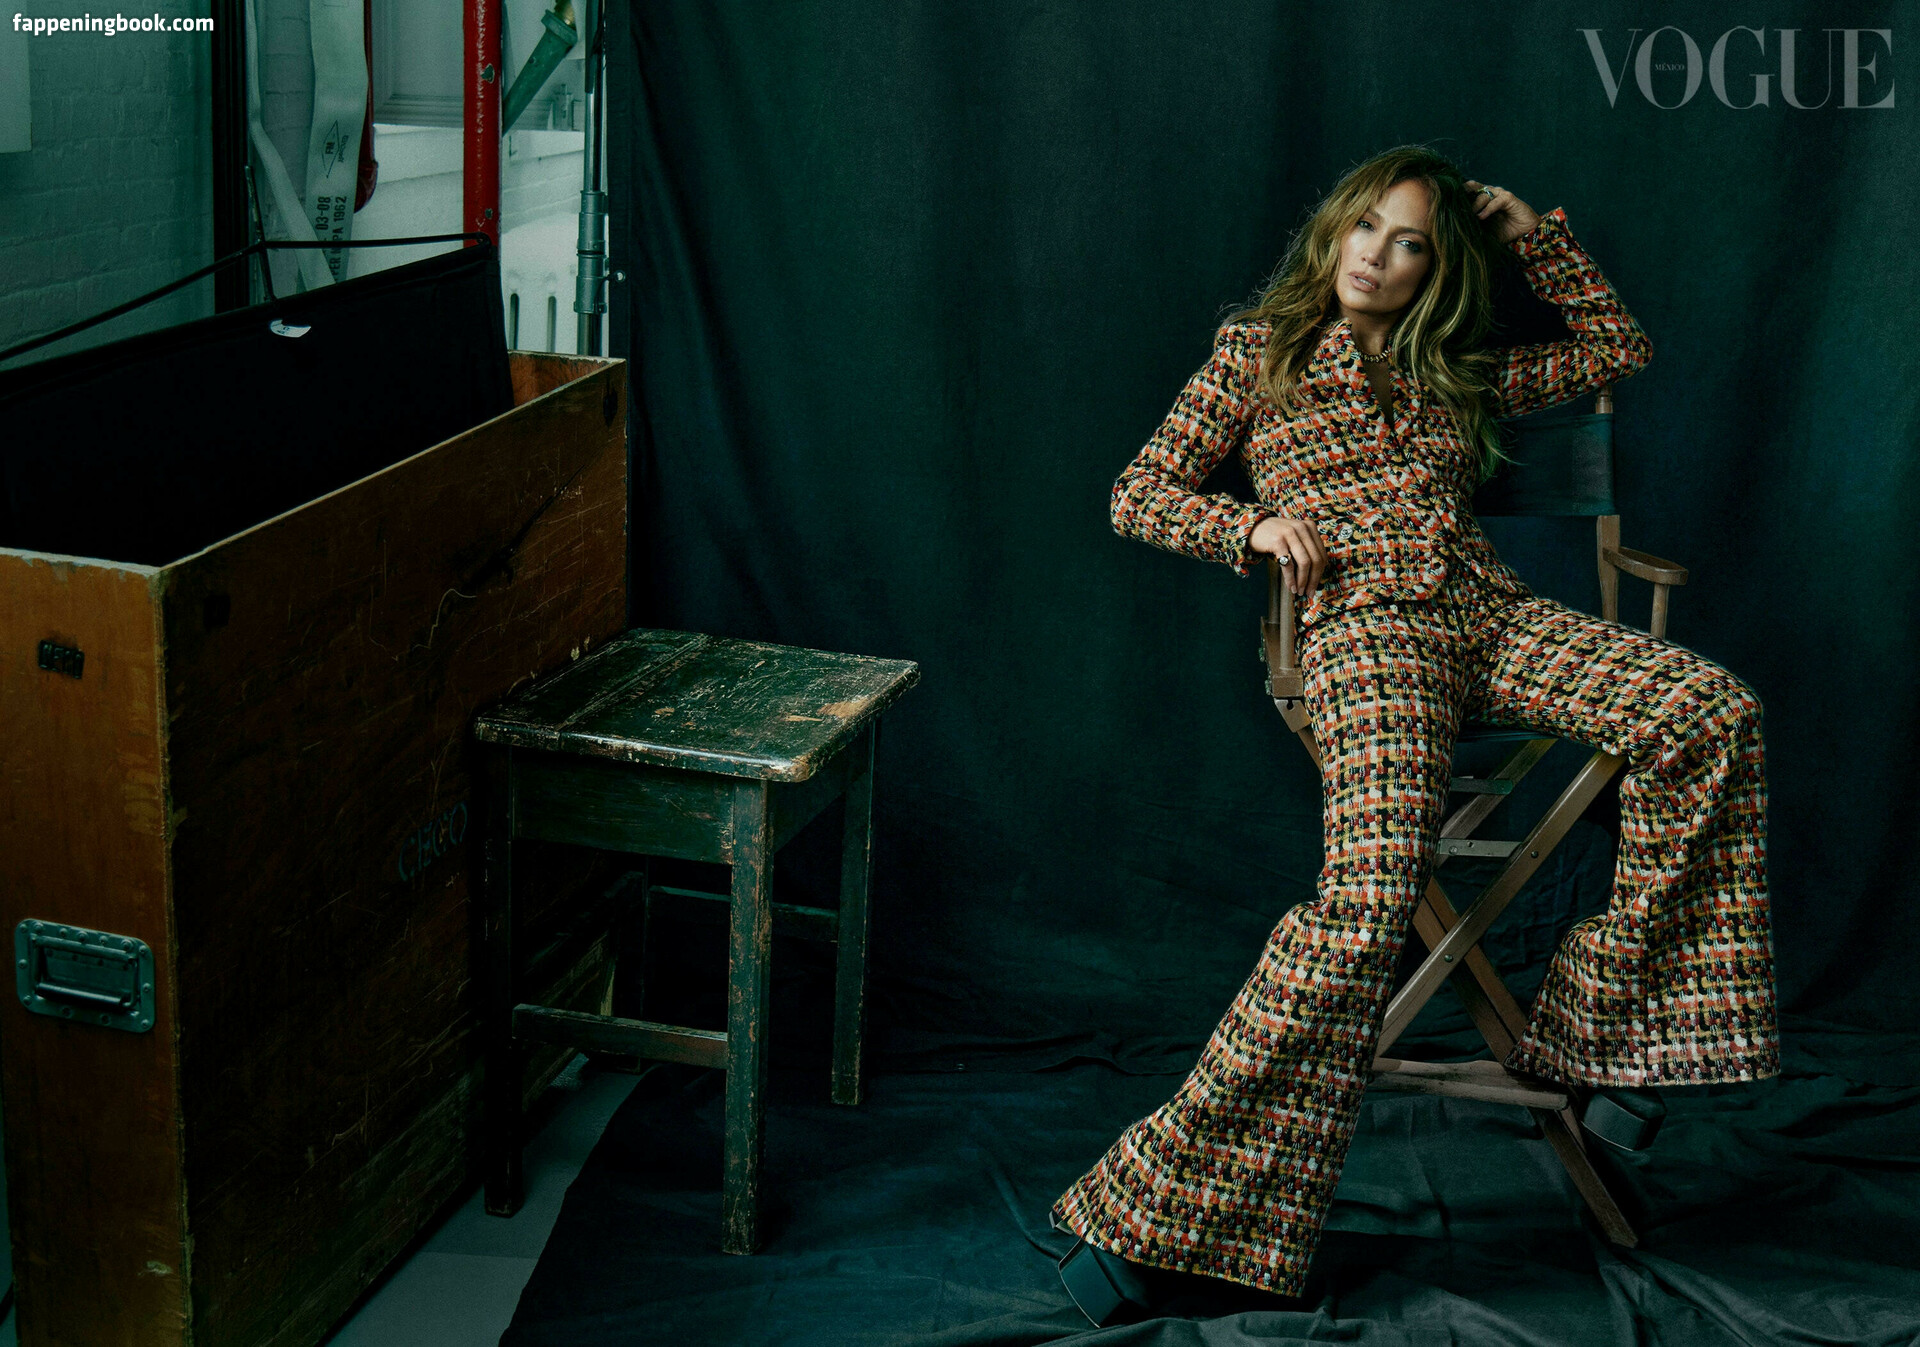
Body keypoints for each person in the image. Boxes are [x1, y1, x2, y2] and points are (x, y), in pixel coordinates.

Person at [1049, 144, 1780, 1325]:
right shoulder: (1259, 352)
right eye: (1366, 229)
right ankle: (1158, 1206)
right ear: (1333, 228)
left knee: (1711, 710)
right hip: (1365, 633)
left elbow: (1616, 351)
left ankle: (1600, 1037)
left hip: (1489, 618)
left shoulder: (1458, 369)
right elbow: (1141, 491)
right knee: (1369, 903)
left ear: (1437, 269)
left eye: (1411, 245)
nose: (1377, 259)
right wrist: (1252, 529)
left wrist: (1533, 237)